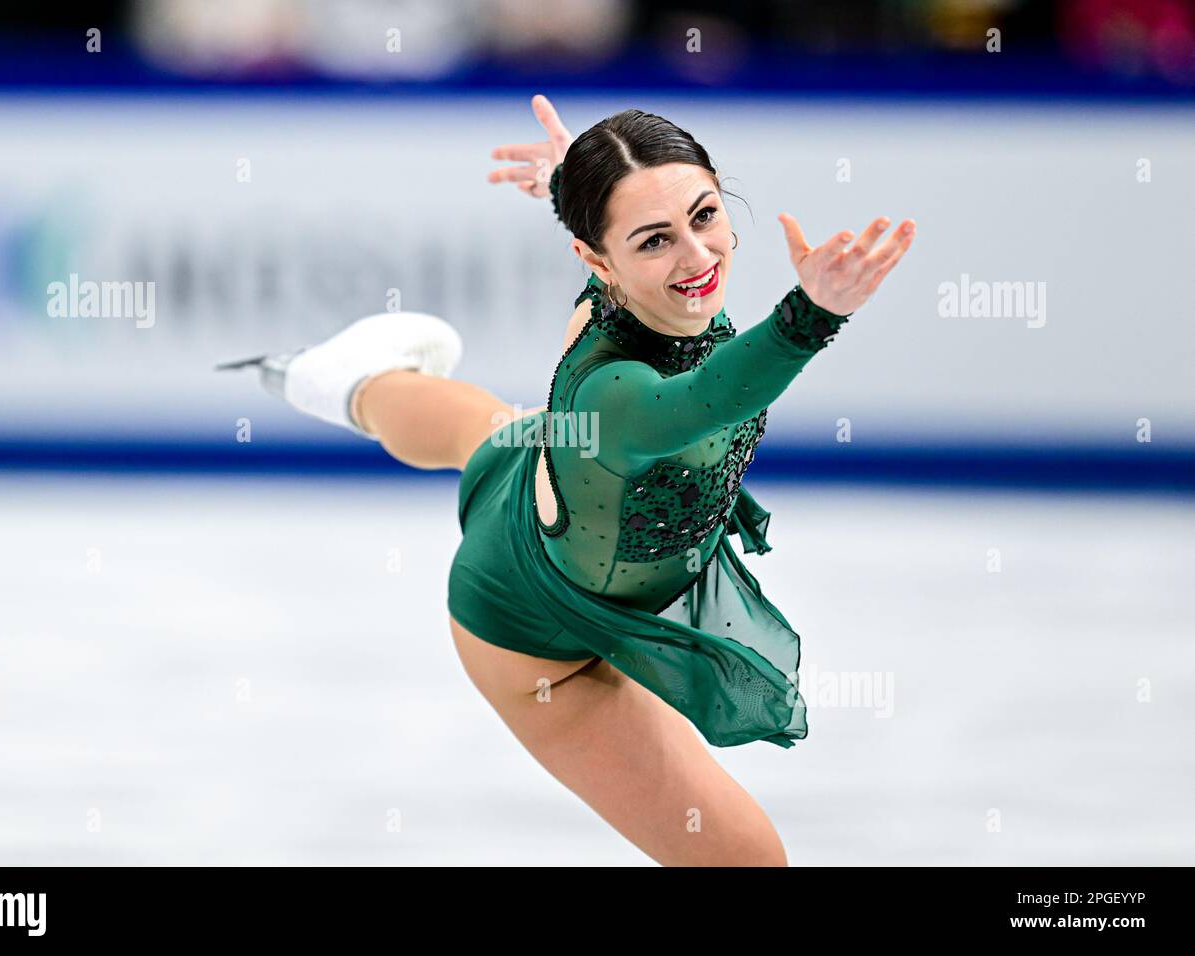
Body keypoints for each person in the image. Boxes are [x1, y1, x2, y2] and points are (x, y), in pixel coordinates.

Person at [222, 95, 915, 866]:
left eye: (705, 214)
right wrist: (812, 315)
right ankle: (350, 383)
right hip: (539, 642)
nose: (697, 256)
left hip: (553, 486)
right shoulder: (609, 395)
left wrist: (573, 181)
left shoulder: (635, 295)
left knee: (485, 433)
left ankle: (348, 382)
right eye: (655, 239)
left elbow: (657, 277)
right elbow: (705, 400)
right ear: (596, 260)